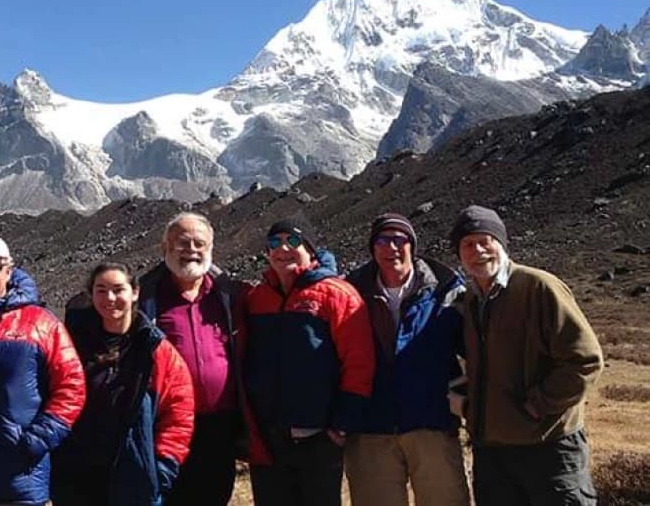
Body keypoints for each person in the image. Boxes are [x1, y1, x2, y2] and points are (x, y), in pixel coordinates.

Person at [451, 205, 603, 506]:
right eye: (468, 244)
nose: (478, 250)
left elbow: (584, 360)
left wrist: (538, 404)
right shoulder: (470, 302)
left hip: (548, 448)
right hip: (492, 452)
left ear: (502, 244)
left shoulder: (539, 287)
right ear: (459, 255)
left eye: (485, 241)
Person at [239, 217, 375, 506]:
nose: (283, 248)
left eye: (294, 241)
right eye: (275, 242)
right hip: (269, 439)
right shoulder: (256, 298)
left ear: (310, 249)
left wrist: (340, 425)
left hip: (319, 438)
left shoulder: (337, 294)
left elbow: (359, 362)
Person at [0, 233, 85, 506]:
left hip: (21, 484)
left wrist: (37, 440)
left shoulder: (41, 323)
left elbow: (72, 385)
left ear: (9, 271)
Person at [344, 213, 470, 506]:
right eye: (383, 240)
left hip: (432, 424)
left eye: (400, 240)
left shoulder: (446, 291)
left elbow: (475, 351)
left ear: (412, 246)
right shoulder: (351, 293)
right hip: (370, 429)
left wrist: (467, 403)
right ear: (373, 248)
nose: (392, 248)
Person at [51, 262, 195, 506]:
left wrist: (162, 469)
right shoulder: (71, 344)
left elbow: (178, 413)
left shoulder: (156, 349)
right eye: (101, 290)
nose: (110, 298)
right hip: (76, 477)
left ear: (135, 292)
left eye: (118, 289)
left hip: (135, 475)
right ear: (90, 294)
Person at [136, 212, 241, 506]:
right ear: (164, 248)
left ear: (211, 249)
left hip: (220, 426)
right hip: (166, 423)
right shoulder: (144, 298)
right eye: (182, 243)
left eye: (199, 243)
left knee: (215, 496)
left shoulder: (228, 294)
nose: (191, 250)